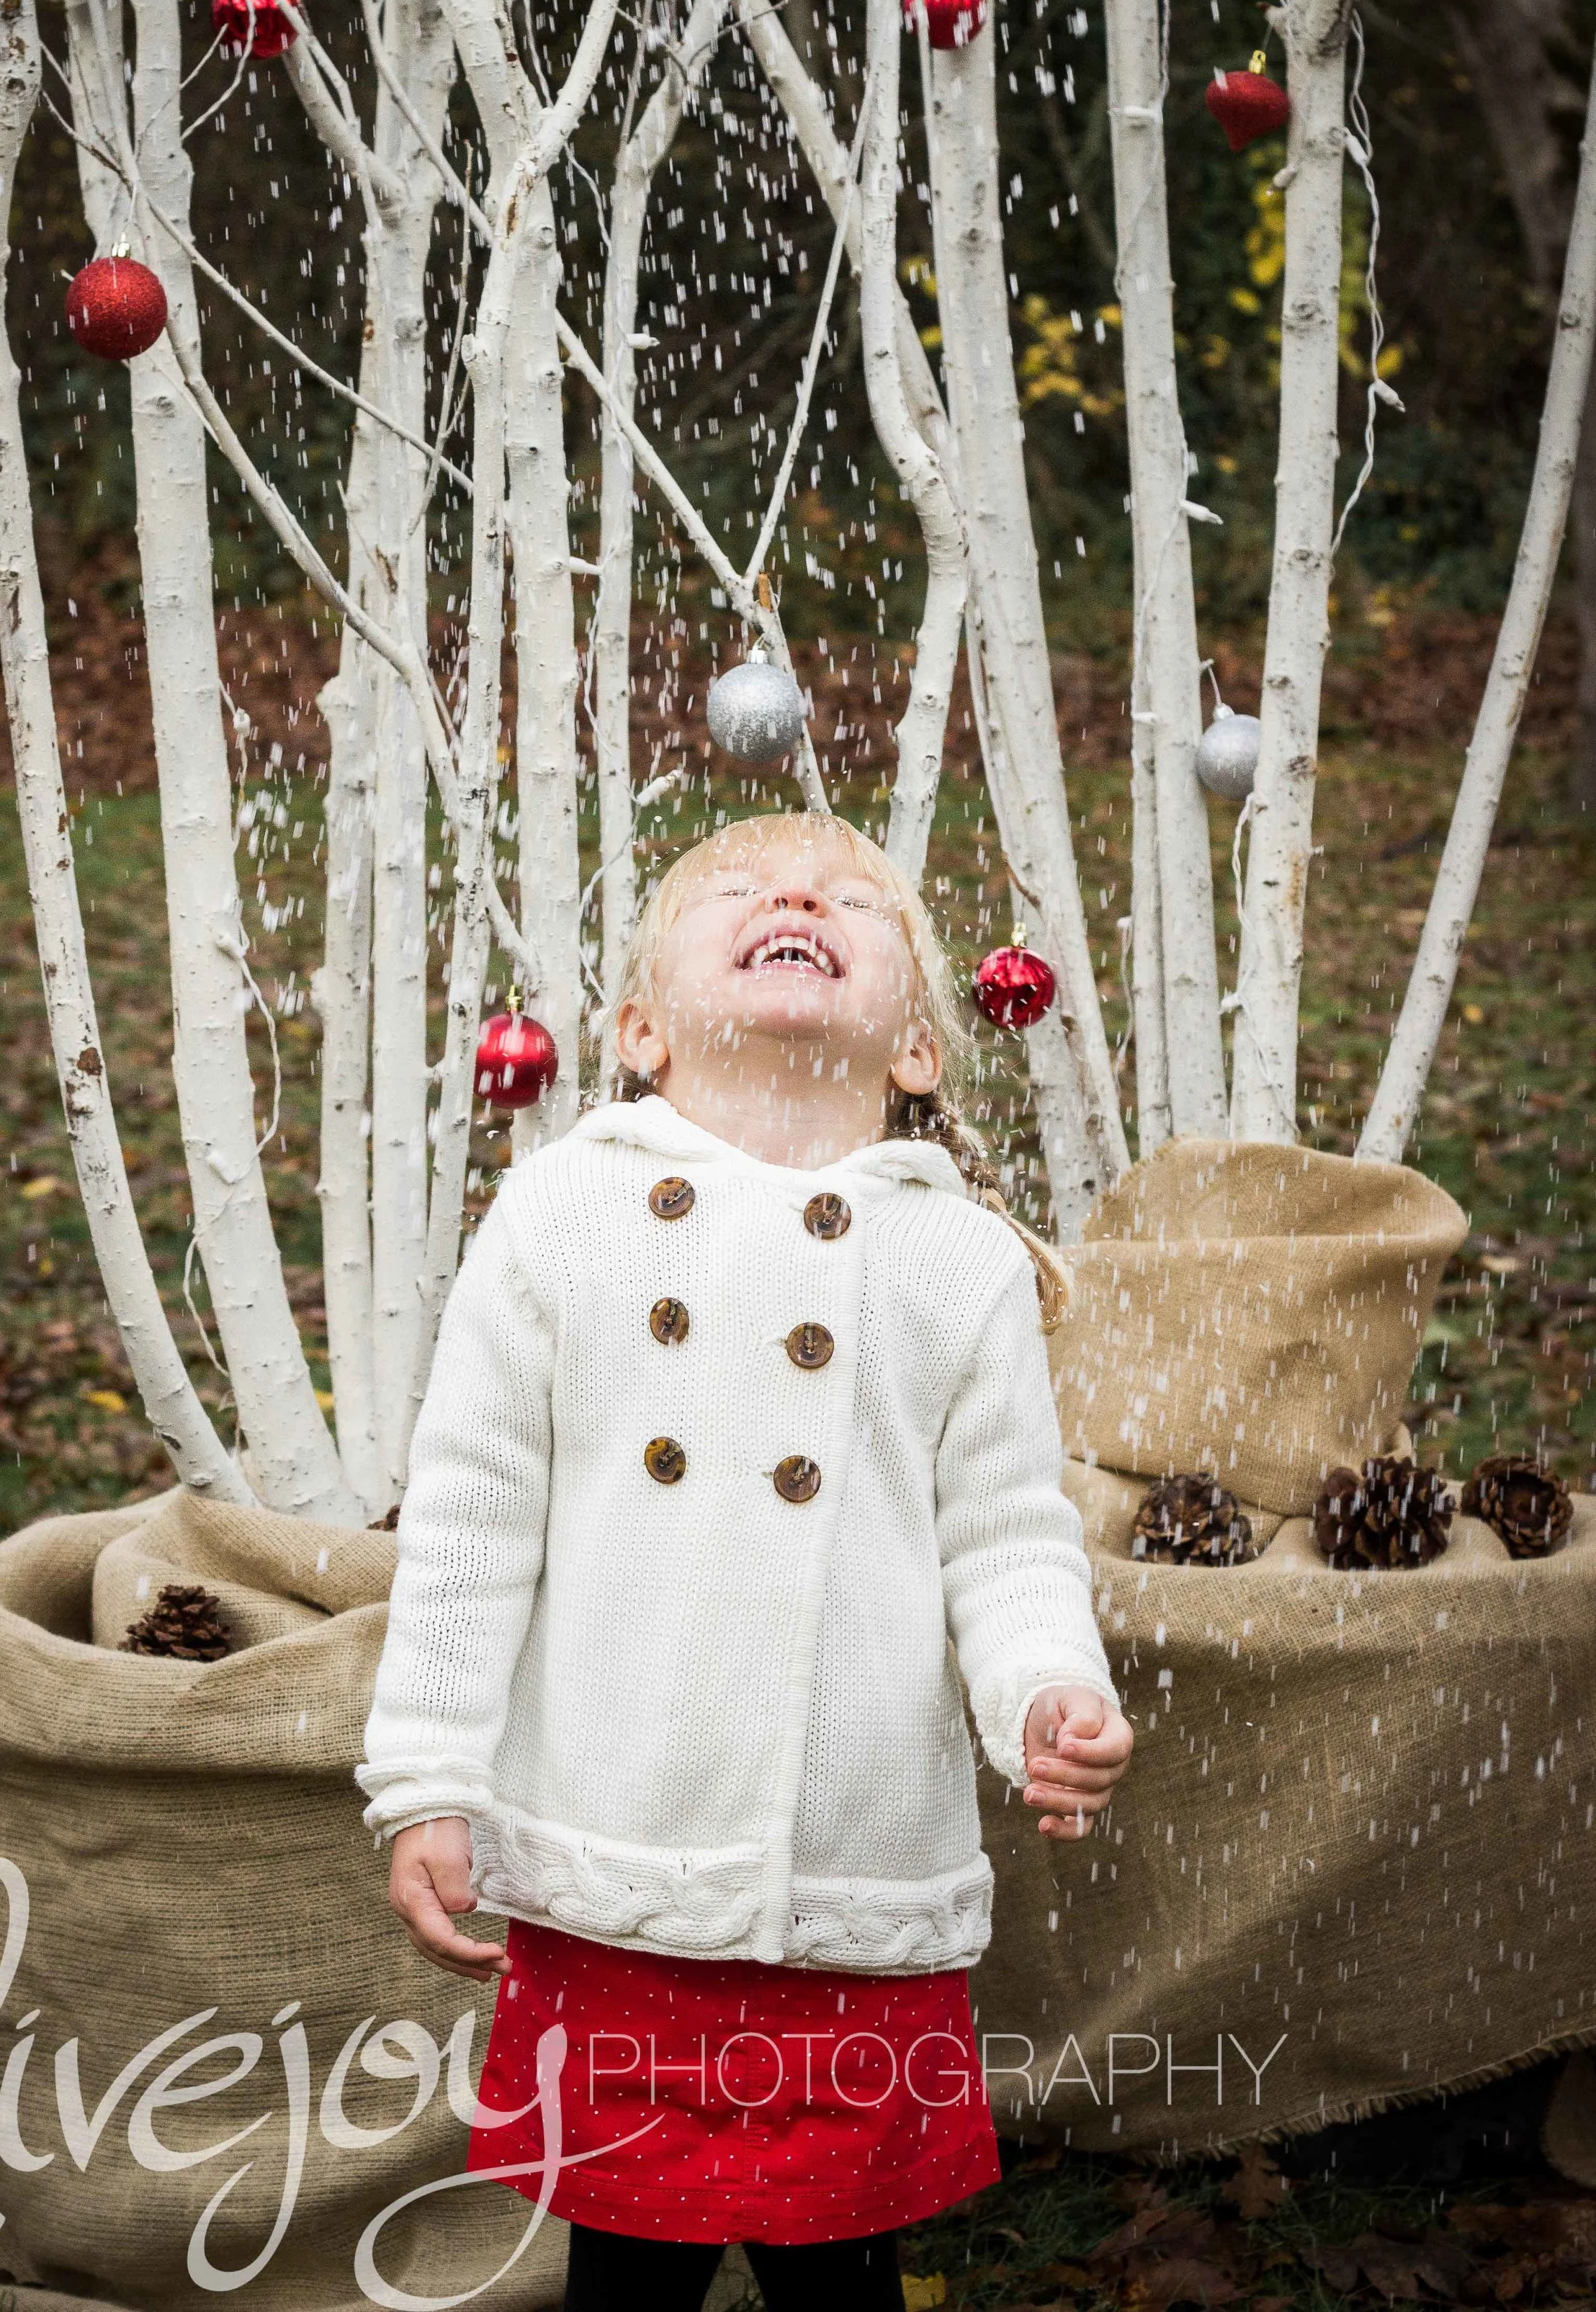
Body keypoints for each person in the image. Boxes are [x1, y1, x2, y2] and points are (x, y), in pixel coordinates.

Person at [358, 812, 1133, 2311]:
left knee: (841, 2276)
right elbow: (469, 1515)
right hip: (618, 1849)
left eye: (850, 897)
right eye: (742, 889)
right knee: (625, 2277)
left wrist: (1045, 1687)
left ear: (912, 1048)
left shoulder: (954, 1260)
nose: (795, 894)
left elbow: (1003, 1531)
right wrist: (427, 1779)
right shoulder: (561, 1220)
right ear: (641, 1030)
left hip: (848, 1870)